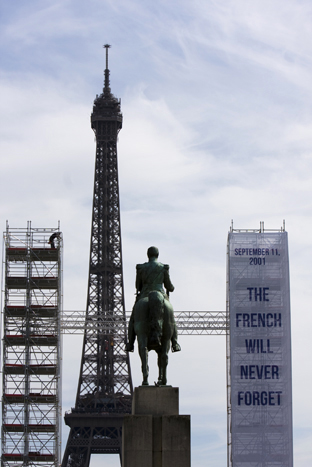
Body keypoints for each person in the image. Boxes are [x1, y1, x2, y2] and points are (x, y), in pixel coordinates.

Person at [126, 246, 181, 352]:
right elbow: (169, 286)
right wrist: (171, 288)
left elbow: (137, 286)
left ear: (148, 255)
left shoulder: (141, 268)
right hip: (161, 294)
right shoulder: (163, 267)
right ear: (157, 255)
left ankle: (130, 343)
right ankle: (175, 343)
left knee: (133, 319)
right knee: (171, 320)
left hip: (144, 295)